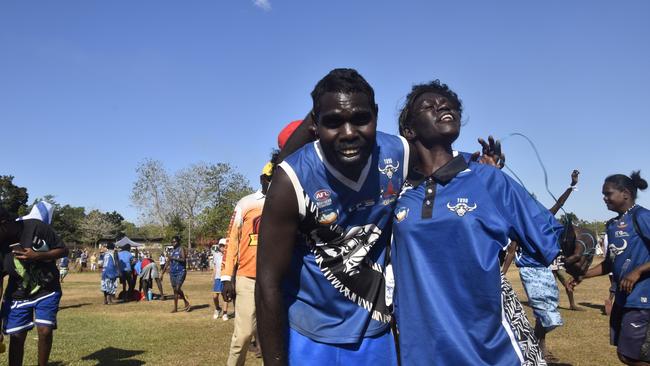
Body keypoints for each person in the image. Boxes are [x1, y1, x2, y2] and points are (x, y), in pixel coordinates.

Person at [256, 69, 502, 365]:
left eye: (361, 119)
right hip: (312, 333)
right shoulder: (292, 180)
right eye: (333, 122)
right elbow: (267, 282)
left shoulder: (397, 153)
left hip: (375, 333)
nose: (349, 133)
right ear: (315, 124)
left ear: (376, 114)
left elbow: (442, 161)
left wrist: (479, 165)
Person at [390, 79, 563, 365]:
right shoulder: (397, 191)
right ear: (409, 130)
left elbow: (550, 241)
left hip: (490, 350)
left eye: (448, 104)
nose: (443, 106)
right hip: (422, 351)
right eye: (429, 106)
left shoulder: (488, 179)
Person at [570, 171, 649, 365]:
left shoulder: (642, 216)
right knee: (626, 354)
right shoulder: (612, 225)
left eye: (608, 193)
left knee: (631, 355)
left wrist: (637, 272)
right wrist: (583, 275)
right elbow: (610, 263)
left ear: (625, 193)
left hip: (642, 299)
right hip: (624, 298)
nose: (604, 199)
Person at [501, 169, 580, 357]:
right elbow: (512, 250)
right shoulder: (521, 225)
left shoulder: (544, 217)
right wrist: (503, 272)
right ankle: (539, 347)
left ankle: (538, 342)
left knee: (550, 315)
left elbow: (560, 203)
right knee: (540, 311)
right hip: (529, 270)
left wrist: (572, 185)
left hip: (545, 269)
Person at [0, 205, 68, 366]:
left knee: (44, 330)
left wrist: (38, 255)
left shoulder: (35, 227)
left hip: (47, 289)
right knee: (16, 337)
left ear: (4, 223)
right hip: (17, 295)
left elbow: (64, 250)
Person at [221, 161, 272, 366]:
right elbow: (231, 241)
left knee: (273, 337)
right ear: (262, 179)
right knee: (242, 335)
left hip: (277, 280)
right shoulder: (246, 203)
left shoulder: (288, 202)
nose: (275, 182)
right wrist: (226, 278)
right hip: (247, 278)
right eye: (271, 178)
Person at [162, 236, 190, 313]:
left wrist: (173, 258)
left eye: (174, 242)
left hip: (181, 271)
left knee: (177, 288)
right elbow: (168, 262)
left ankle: (185, 301)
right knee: (175, 291)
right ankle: (175, 308)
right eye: (172, 242)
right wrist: (162, 273)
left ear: (178, 242)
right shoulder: (172, 251)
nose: (173, 243)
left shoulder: (181, 249)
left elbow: (183, 259)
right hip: (172, 272)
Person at [211, 240, 229, 320]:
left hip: (225, 277)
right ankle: (218, 309)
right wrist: (213, 277)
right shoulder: (216, 255)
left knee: (225, 296)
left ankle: (225, 313)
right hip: (217, 277)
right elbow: (215, 267)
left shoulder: (229, 255)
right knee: (215, 296)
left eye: (224, 245)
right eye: (221, 245)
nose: (222, 247)